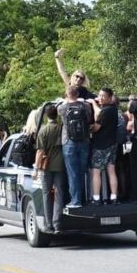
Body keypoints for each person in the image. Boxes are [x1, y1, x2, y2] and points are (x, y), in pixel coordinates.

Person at [58, 85, 93, 208]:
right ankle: (87, 198)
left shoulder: (62, 108)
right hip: (84, 140)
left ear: (67, 94)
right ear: (78, 94)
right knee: (83, 171)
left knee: (72, 172)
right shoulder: (86, 106)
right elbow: (89, 119)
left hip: (69, 142)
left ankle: (76, 201)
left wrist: (65, 100)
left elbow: (59, 111)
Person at [34, 105, 65, 233]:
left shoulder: (43, 131)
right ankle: (58, 223)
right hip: (61, 165)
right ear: (57, 115)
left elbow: (40, 151)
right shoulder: (62, 128)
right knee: (59, 194)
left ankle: (49, 224)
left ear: (46, 116)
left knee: (47, 194)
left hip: (46, 166)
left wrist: (36, 168)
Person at [87, 88, 119, 205]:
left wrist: (93, 103)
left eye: (103, 96)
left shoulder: (105, 111)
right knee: (111, 170)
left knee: (96, 172)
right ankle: (114, 196)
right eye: (99, 95)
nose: (100, 98)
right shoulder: (114, 109)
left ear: (110, 98)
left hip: (101, 145)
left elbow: (96, 127)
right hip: (112, 144)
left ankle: (96, 198)